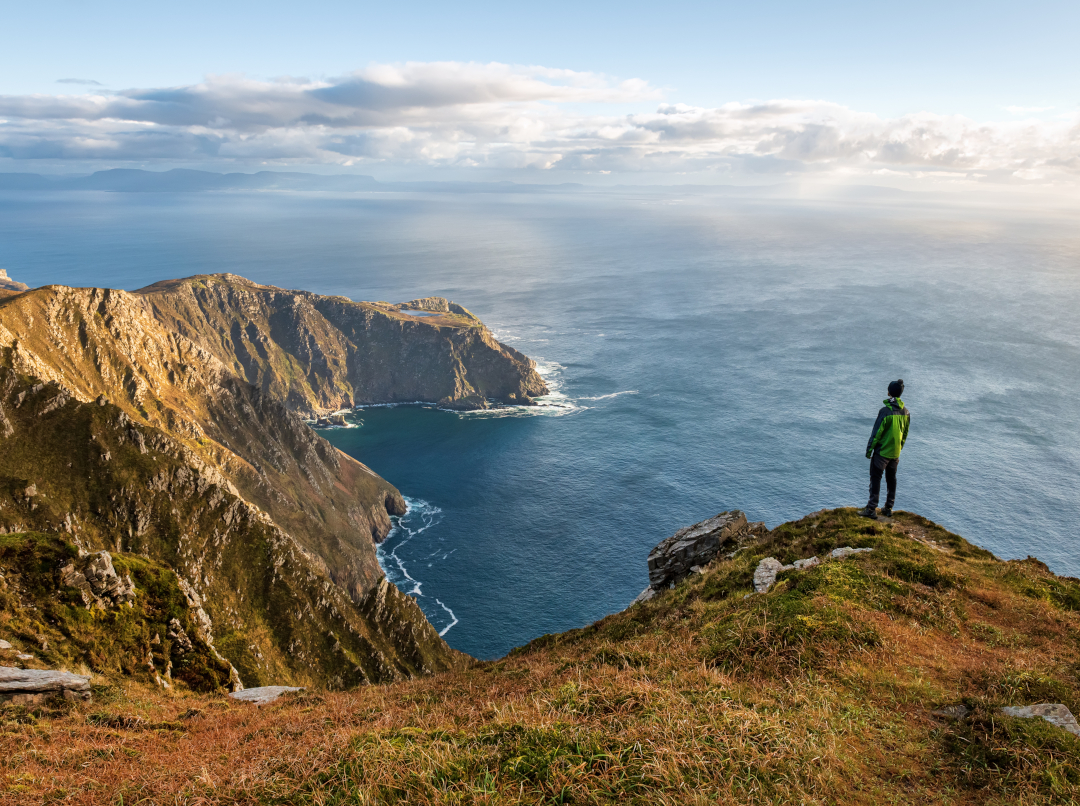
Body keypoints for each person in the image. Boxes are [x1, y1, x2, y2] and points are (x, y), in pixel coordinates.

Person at [861, 379, 910, 519]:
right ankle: (888, 508)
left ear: (889, 393)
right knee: (891, 479)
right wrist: (899, 448)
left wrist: (869, 450)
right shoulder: (906, 412)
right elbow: (905, 434)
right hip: (895, 452)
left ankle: (871, 509)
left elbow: (876, 433)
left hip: (882, 452)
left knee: (875, 479)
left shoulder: (885, 411)